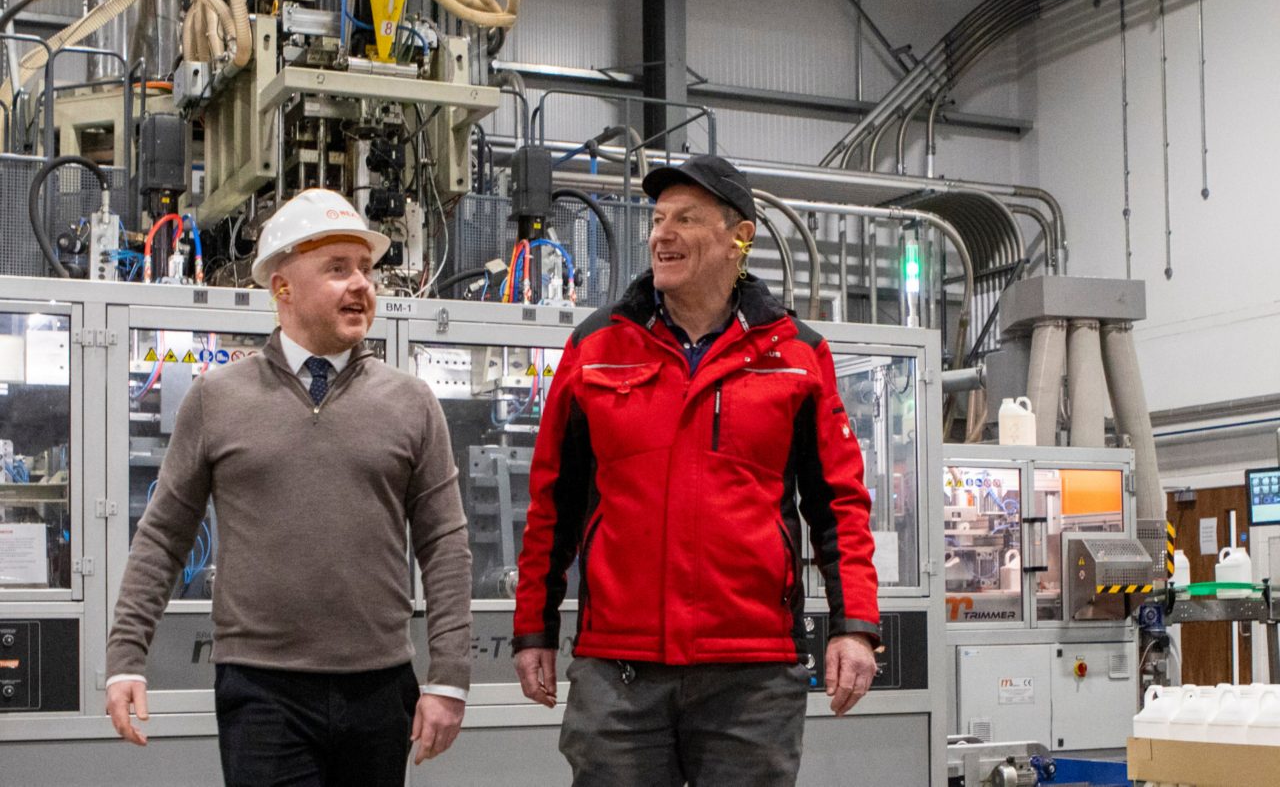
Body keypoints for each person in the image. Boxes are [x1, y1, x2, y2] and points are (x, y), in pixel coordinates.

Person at [512, 155, 881, 786]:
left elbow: (838, 504)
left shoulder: (796, 355)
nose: (662, 234)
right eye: (657, 220)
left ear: (741, 237)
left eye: (686, 218)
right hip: (618, 672)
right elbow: (554, 501)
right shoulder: (596, 348)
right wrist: (533, 629)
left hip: (752, 675)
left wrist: (855, 629)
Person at [104, 189, 472, 786]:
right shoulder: (217, 399)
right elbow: (163, 538)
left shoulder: (411, 403)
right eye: (337, 269)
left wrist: (449, 677)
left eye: (366, 269)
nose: (361, 285)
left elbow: (445, 546)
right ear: (282, 288)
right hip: (262, 688)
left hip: (379, 688)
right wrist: (125, 659)